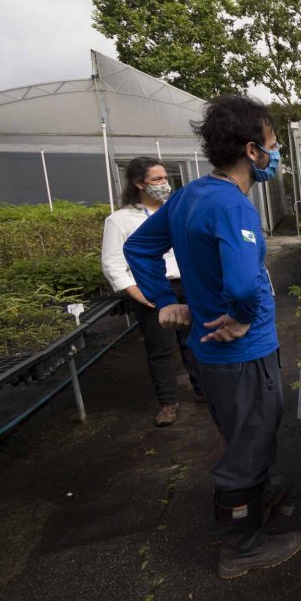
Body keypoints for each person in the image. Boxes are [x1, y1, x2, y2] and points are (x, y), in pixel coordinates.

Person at [124, 95, 301, 579]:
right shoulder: (232, 207)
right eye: (271, 143)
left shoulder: (190, 195)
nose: (275, 152)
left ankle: (259, 492)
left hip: (208, 351)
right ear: (251, 149)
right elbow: (243, 284)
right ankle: (241, 546)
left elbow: (138, 247)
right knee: (251, 436)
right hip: (240, 350)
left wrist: (166, 301)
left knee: (243, 428)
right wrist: (243, 317)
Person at [101, 157, 203, 427]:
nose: (164, 184)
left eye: (165, 178)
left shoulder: (177, 210)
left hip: (187, 283)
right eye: (157, 179)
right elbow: (113, 263)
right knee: (160, 349)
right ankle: (168, 402)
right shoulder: (120, 220)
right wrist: (138, 293)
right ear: (138, 183)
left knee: (193, 341)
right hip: (152, 289)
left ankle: (203, 390)